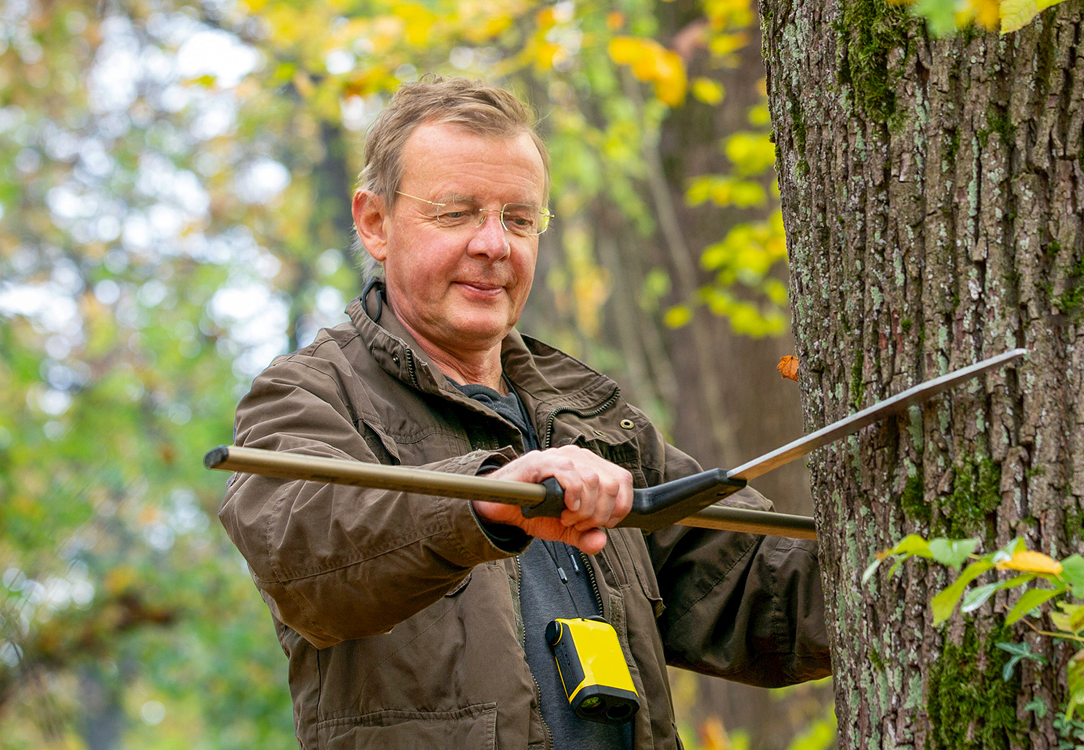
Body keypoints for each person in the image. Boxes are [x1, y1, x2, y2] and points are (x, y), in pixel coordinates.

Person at [217, 77, 830, 750]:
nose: (494, 245)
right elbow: (307, 556)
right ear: (374, 222)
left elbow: (758, 593)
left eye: (517, 218)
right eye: (456, 213)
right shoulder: (307, 394)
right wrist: (482, 506)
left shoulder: (591, 412)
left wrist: (925, 555)